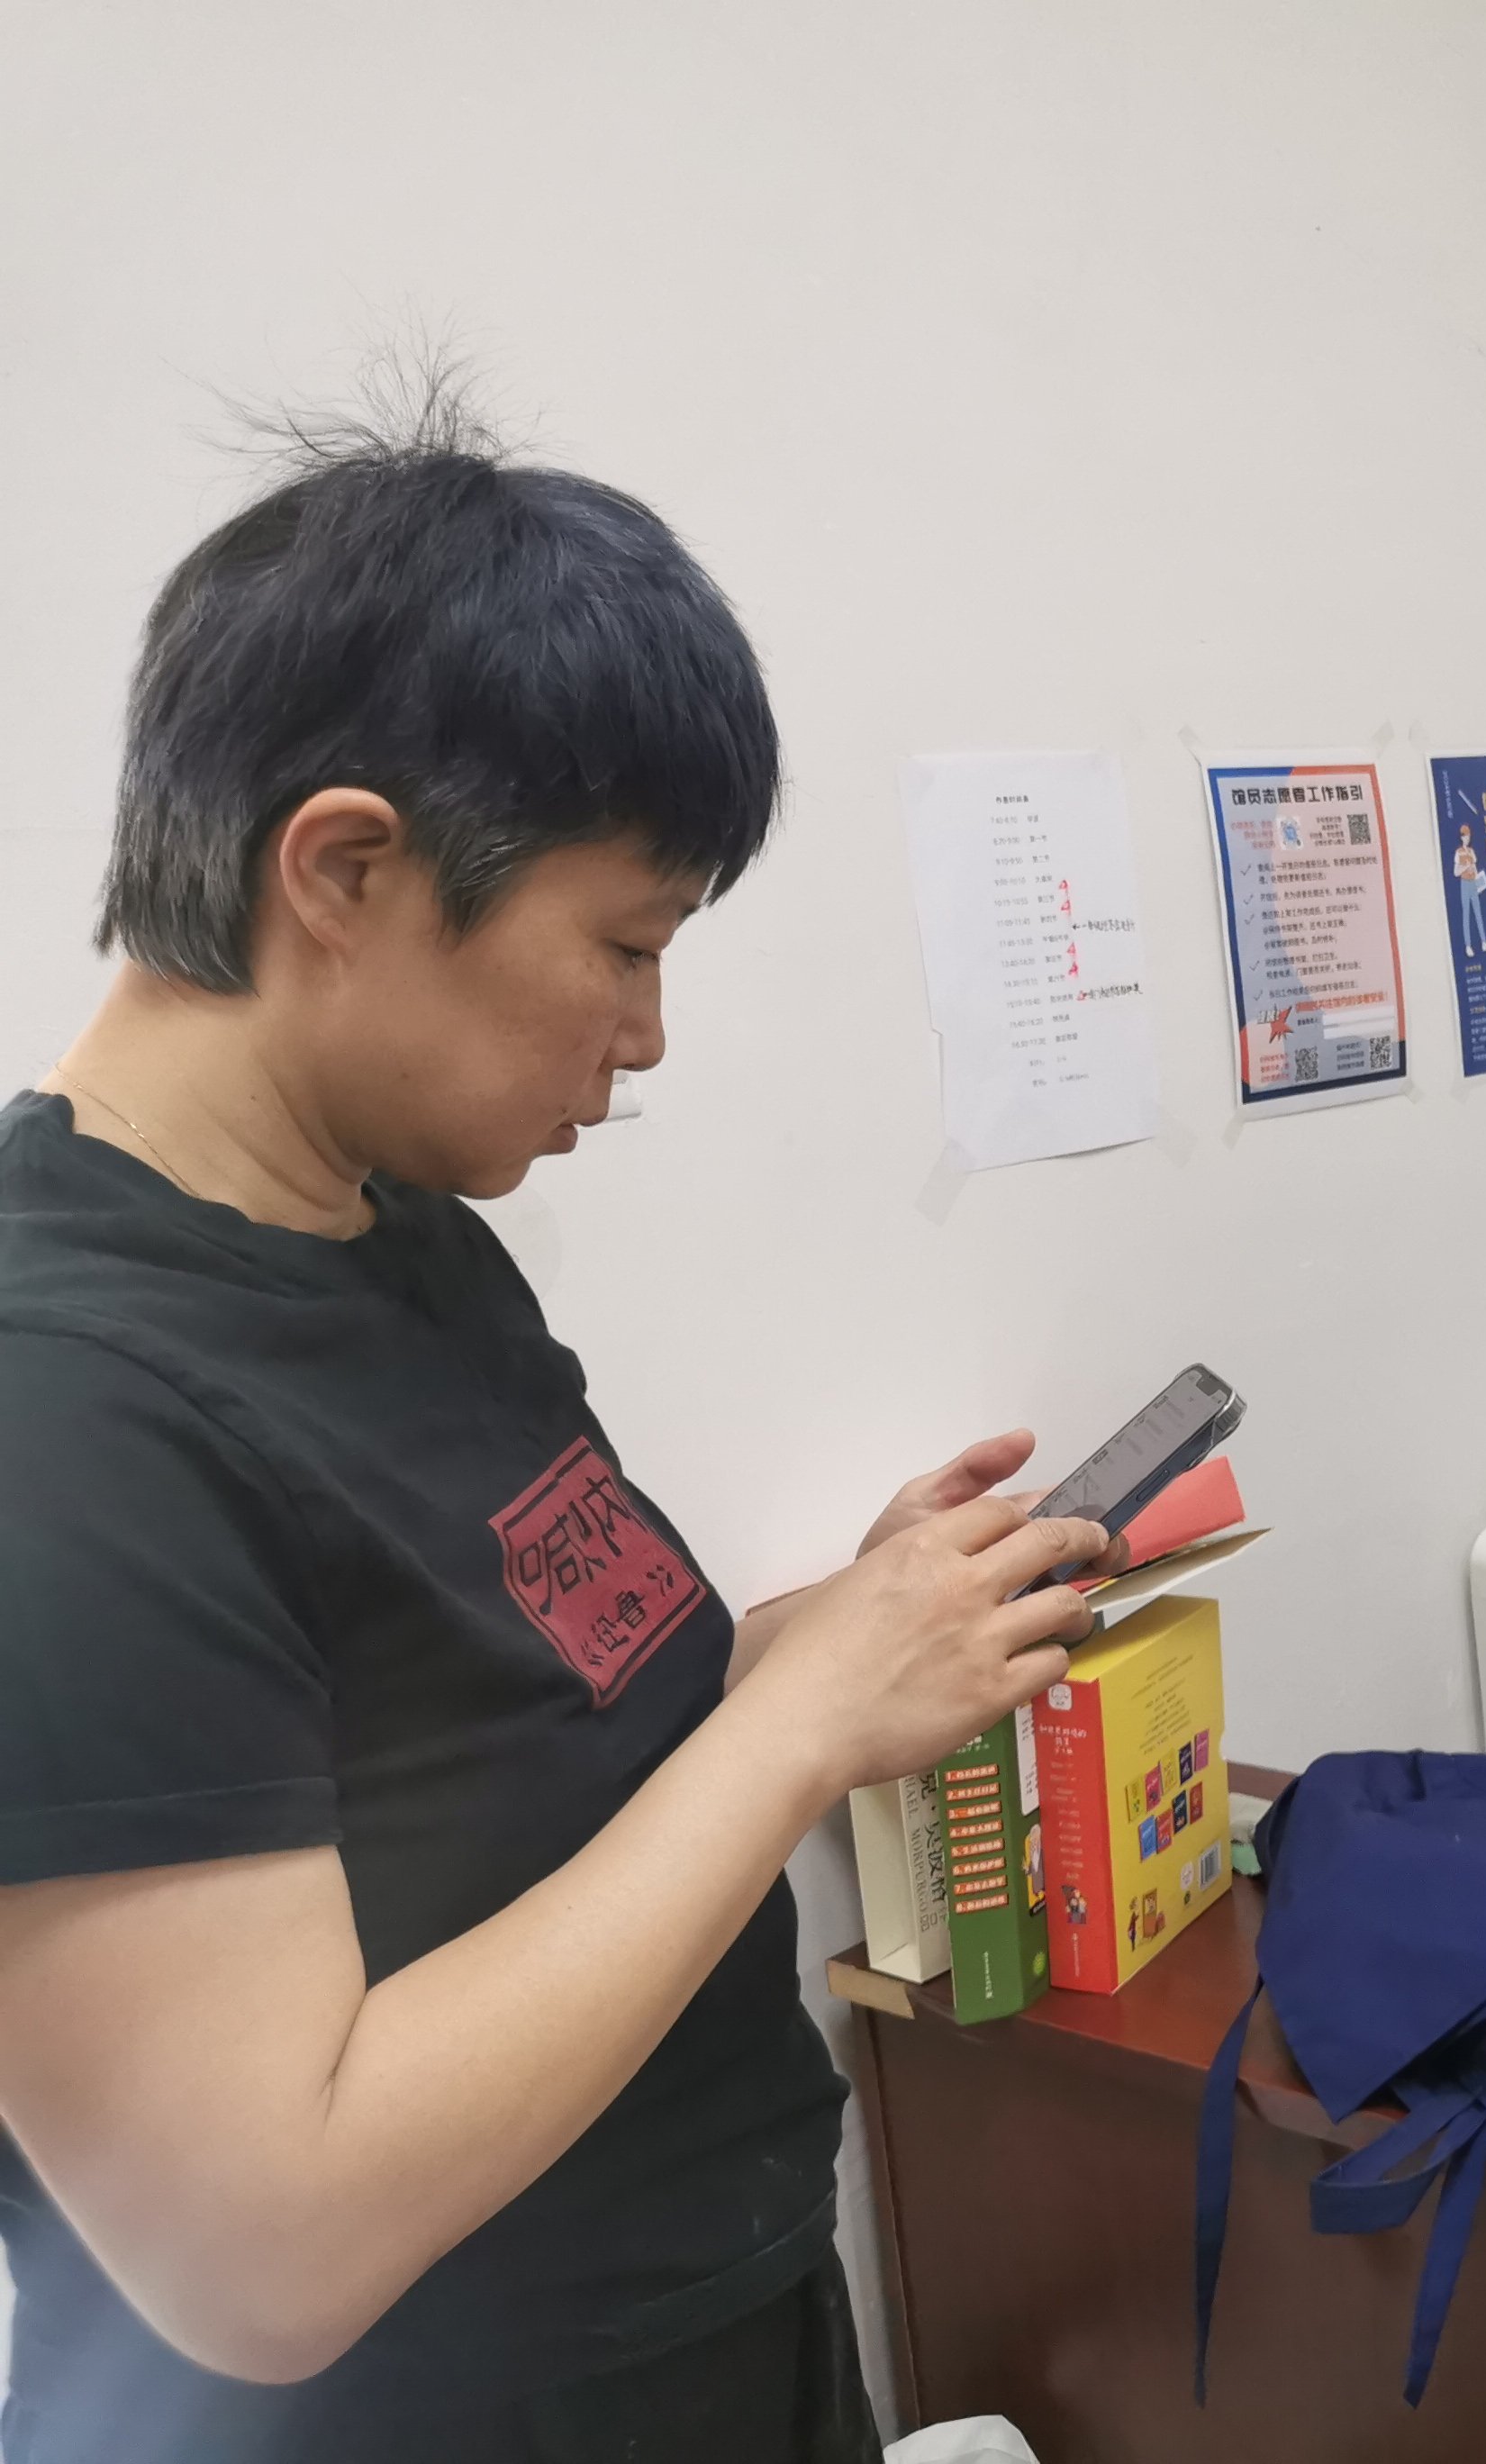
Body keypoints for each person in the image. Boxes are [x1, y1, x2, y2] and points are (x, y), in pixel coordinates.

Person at [0, 403, 1127, 2463]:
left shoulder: (394, 1229)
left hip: (710, 2334)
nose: (646, 1035)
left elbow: (531, 1735)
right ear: (345, 869)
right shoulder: (59, 1411)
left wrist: (844, 1643)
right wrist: (795, 1735)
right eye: (624, 946)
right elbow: (263, 2247)